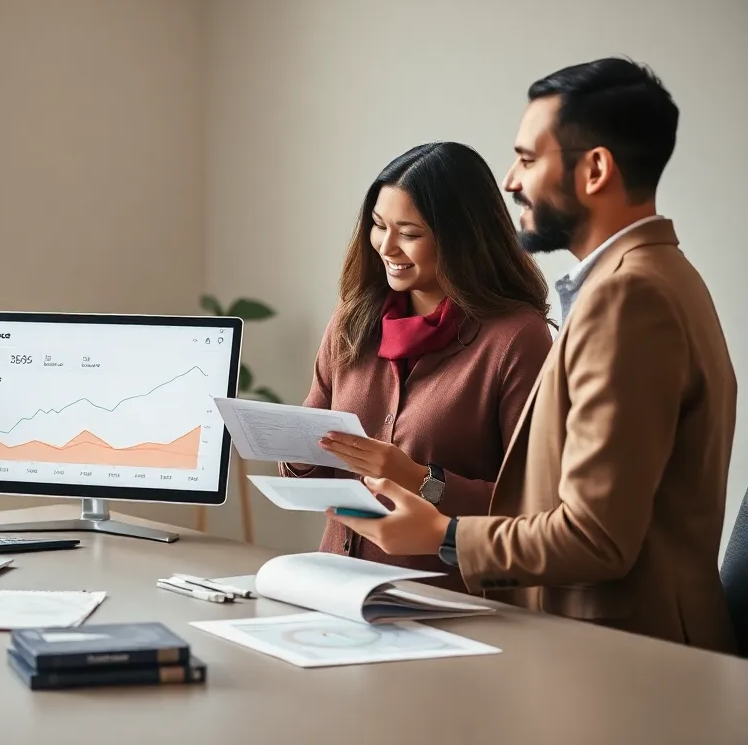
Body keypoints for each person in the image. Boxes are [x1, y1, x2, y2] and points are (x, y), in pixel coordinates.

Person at [329, 58, 738, 653]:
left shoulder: (630, 297)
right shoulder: (654, 276)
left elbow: (596, 536)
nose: (511, 180)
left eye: (526, 158)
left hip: (628, 657)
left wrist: (444, 532)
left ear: (595, 169)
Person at [280, 141, 554, 590]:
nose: (386, 246)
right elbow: (315, 460)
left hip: (447, 603)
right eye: (377, 226)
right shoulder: (352, 319)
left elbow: (532, 507)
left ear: (461, 237)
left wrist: (418, 478)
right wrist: (294, 451)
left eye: (409, 233)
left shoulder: (516, 339)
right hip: (334, 589)